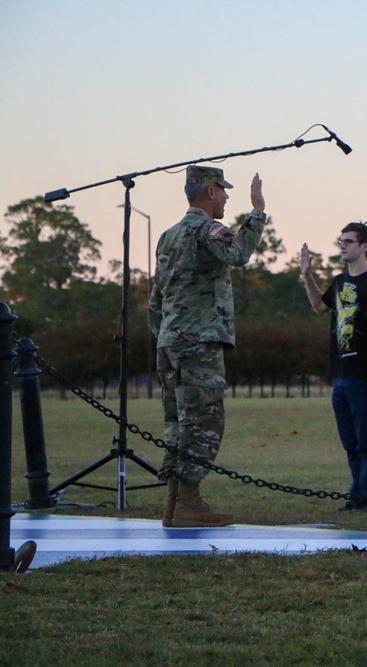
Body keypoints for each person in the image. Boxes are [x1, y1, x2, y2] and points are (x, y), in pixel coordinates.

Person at [150, 165, 266, 528]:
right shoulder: (207, 229)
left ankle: (175, 503)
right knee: (204, 421)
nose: (228, 197)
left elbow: (156, 297)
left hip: (170, 342)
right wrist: (258, 212)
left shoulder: (167, 236)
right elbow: (237, 254)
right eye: (223, 189)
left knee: (178, 421)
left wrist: (164, 335)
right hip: (199, 341)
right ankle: (189, 502)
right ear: (211, 192)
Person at [300, 223, 367, 513]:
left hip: (363, 375)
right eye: (341, 241)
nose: (342, 246)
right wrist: (307, 276)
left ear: (365, 246)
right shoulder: (339, 282)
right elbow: (318, 306)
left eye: (349, 241)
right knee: (350, 441)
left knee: (366, 439)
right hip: (341, 373)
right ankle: (357, 495)